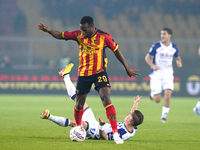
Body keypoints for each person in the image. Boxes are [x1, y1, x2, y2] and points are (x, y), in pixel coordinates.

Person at [37, 16, 140, 144]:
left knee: (106, 98)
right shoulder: (78, 35)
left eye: (85, 30)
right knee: (79, 104)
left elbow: (116, 51)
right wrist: (48, 30)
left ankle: (115, 133)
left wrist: (127, 68)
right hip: (84, 73)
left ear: (92, 27)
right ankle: (79, 127)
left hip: (99, 72)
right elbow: (60, 35)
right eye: (82, 30)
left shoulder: (104, 36)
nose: (83, 33)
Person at [40, 63, 144, 141]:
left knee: (77, 123)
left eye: (129, 115)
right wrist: (136, 104)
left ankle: (49, 116)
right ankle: (65, 75)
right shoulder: (134, 127)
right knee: (79, 101)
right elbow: (134, 116)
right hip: (96, 123)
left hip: (96, 131)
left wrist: (101, 126)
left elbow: (104, 138)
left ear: (130, 120)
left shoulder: (123, 134)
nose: (127, 114)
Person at [145, 28, 182, 123]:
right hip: (157, 74)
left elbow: (178, 57)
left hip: (168, 74)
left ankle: (163, 117)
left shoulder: (174, 47)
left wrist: (179, 62)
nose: (162, 36)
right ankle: (152, 94)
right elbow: (147, 58)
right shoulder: (156, 46)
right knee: (157, 100)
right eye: (161, 34)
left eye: (164, 34)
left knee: (168, 95)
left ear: (170, 35)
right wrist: (153, 66)